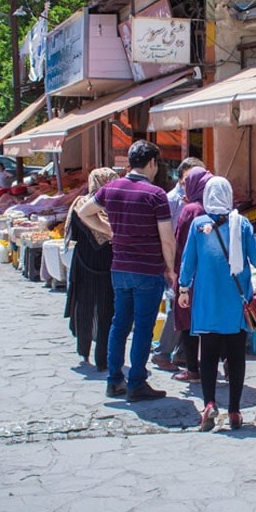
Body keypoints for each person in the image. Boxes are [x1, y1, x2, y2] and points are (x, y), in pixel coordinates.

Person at [79, 140, 175, 402]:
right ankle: (137, 383)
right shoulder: (155, 195)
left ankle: (114, 381)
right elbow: (167, 239)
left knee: (119, 324)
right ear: (152, 162)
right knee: (143, 328)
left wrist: (108, 230)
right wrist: (170, 269)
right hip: (147, 269)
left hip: (120, 268)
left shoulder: (111, 188)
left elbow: (83, 212)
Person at [177, 176, 256, 431]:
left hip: (207, 302)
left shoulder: (198, 225)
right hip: (236, 304)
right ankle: (235, 411)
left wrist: (183, 289)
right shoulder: (242, 224)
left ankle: (208, 404)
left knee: (209, 356)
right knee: (236, 357)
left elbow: (188, 263)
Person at [152, 156, 207, 372]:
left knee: (185, 310)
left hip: (188, 263)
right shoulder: (173, 201)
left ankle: (183, 355)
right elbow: (169, 235)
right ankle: (162, 352)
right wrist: (169, 266)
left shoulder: (194, 203)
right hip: (177, 262)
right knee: (179, 309)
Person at [63, 167, 119, 370]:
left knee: (85, 306)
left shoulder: (80, 205)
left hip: (84, 261)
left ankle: (84, 349)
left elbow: (74, 234)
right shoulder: (114, 209)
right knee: (106, 310)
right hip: (107, 263)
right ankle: (102, 357)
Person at [169, 165, 213, 383]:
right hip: (212, 276)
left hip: (190, 273)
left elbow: (180, 243)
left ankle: (193, 370)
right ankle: (210, 368)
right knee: (209, 322)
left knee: (187, 320)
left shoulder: (190, 211)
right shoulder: (218, 209)